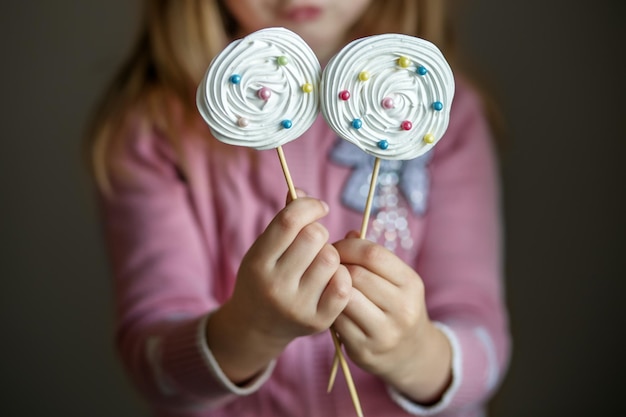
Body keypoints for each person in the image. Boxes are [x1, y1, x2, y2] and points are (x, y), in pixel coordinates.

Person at [87, 1, 511, 416]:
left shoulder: (441, 118)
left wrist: (414, 354)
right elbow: (152, 367)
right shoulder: (155, 135)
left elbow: (484, 342)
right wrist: (251, 330)